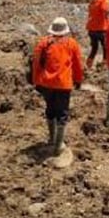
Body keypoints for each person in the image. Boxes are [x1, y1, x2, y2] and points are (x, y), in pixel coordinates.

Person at [30, 17, 84, 158]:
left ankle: (52, 139)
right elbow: (78, 64)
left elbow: (36, 63)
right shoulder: (71, 43)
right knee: (62, 113)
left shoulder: (44, 43)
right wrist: (78, 80)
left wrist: (36, 81)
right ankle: (58, 146)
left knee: (50, 109)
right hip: (63, 84)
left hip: (46, 83)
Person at [84, 0, 109, 70]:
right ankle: (104, 65)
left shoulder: (93, 0)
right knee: (106, 48)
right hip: (101, 28)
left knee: (94, 48)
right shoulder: (104, 0)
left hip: (91, 28)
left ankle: (88, 65)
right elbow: (105, 10)